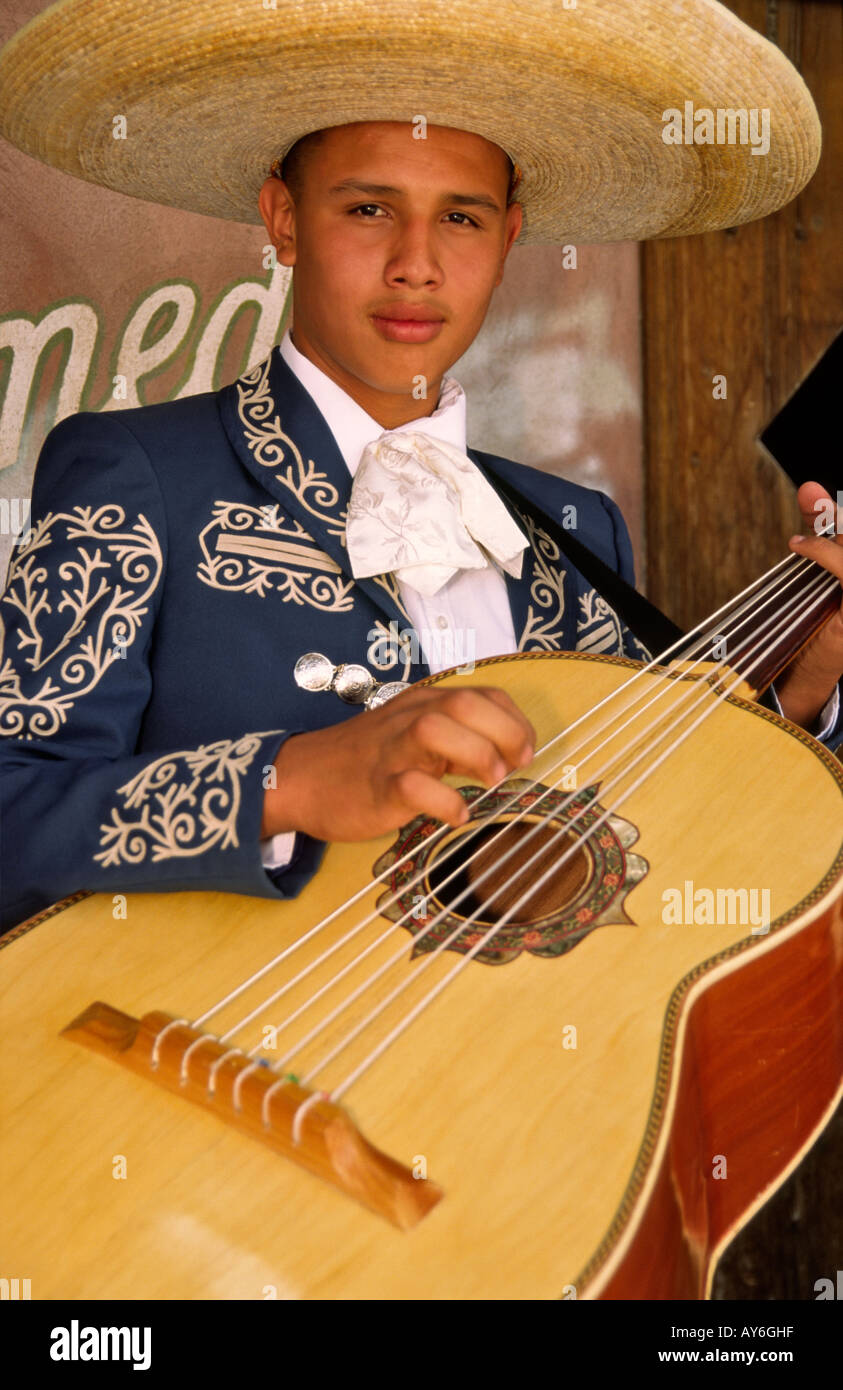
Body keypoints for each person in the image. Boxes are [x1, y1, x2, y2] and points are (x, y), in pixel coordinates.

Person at [0, 1, 840, 934]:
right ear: (283, 220)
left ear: (510, 236)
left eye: (462, 219)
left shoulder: (575, 528)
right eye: (368, 209)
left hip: (507, 1072)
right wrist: (288, 780)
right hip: (195, 1062)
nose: (416, 265)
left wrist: (794, 699)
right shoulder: (140, 473)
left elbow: (643, 840)